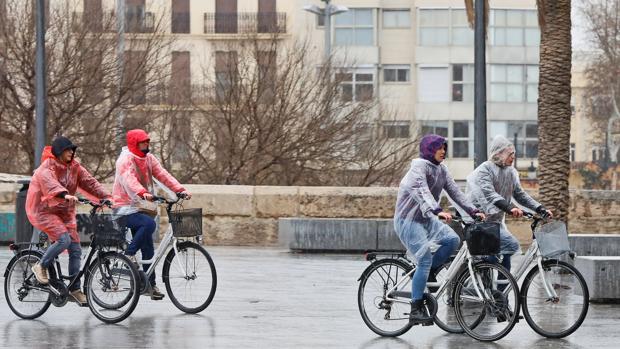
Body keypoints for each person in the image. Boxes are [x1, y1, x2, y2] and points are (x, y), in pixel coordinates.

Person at [394, 134, 485, 324]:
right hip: (408, 220)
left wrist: (473, 210)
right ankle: (415, 308)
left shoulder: (441, 169)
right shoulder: (418, 166)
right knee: (424, 258)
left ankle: (430, 271)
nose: (443, 151)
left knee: (453, 240)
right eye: (439, 148)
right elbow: (421, 190)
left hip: (426, 218)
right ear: (429, 149)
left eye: (445, 148)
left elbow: (455, 191)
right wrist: (436, 210)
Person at [28, 136, 113, 305]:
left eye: (72, 150)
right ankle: (41, 265)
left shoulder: (75, 167)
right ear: (59, 152)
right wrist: (63, 193)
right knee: (64, 239)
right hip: (43, 210)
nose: (71, 152)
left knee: (75, 249)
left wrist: (106, 197)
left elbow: (90, 182)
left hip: (65, 212)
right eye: (68, 150)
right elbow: (49, 183)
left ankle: (74, 289)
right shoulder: (47, 167)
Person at [113, 129, 191, 300]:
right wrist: (142, 192)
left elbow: (162, 175)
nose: (147, 145)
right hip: (123, 208)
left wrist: (180, 189)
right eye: (143, 142)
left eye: (148, 142)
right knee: (149, 225)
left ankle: (149, 285)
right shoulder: (125, 160)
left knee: (148, 247)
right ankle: (129, 254)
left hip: (141, 207)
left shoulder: (148, 158)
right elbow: (129, 179)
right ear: (135, 143)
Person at [466, 135, 553, 277]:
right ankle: (482, 282)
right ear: (498, 153)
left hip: (495, 222)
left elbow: (520, 195)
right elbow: (490, 194)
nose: (513, 157)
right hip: (478, 221)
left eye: (514, 154)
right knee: (504, 248)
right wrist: (510, 208)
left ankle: (501, 292)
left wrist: (540, 208)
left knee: (507, 249)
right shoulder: (485, 169)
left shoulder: (511, 172)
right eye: (510, 154)